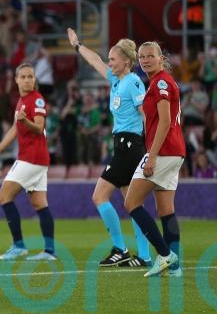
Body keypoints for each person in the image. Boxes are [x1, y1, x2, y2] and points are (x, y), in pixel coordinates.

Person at [67, 28, 151, 268]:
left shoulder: (133, 82)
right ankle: (144, 256)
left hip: (130, 146)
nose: (109, 62)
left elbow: (146, 114)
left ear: (126, 62)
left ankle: (120, 248)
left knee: (99, 196)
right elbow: (95, 60)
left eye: (113, 59)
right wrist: (77, 45)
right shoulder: (116, 80)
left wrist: (152, 149)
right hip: (123, 146)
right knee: (132, 203)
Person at [124, 41, 185, 277]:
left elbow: (165, 121)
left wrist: (152, 156)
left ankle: (165, 255)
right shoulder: (164, 82)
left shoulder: (160, 82)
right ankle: (175, 268)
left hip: (163, 152)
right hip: (175, 152)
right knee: (166, 210)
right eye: (142, 56)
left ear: (162, 59)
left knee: (131, 203)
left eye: (151, 56)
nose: (145, 60)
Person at [0, 63, 56, 261]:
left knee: (4, 197)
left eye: (30, 76)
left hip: (31, 158)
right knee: (39, 203)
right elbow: (15, 129)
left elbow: (39, 127)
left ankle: (18, 246)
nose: (27, 80)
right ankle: (49, 251)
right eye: (23, 77)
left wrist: (25, 121)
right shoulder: (22, 101)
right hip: (37, 159)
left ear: (35, 79)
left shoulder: (37, 99)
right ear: (16, 80)